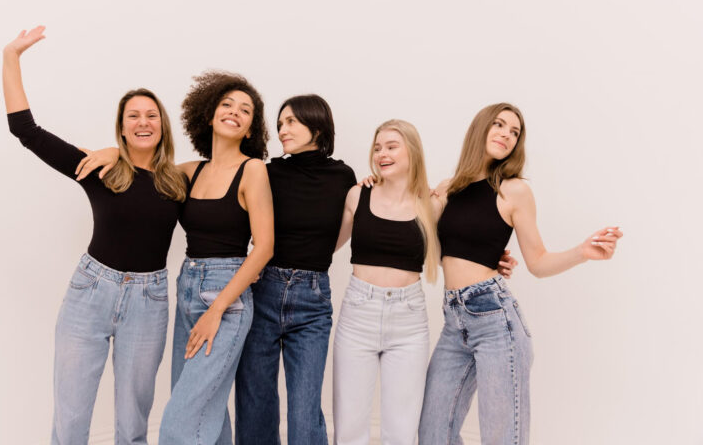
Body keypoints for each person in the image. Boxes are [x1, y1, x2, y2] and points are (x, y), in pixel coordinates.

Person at [3, 26, 187, 445]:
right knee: (70, 421)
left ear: (163, 126)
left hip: (149, 301)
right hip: (89, 293)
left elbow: (230, 172)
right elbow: (26, 131)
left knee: (132, 424)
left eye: (151, 115)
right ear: (121, 127)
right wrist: (10, 57)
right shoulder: (98, 169)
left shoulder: (180, 181)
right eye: (133, 116)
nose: (143, 122)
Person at [418, 103, 623, 445]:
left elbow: (538, 261)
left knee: (502, 438)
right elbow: (441, 254)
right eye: (499, 125)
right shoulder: (449, 186)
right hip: (454, 323)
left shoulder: (513, 191)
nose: (506, 135)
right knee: (433, 432)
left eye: (514, 132)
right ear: (480, 127)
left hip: (497, 323)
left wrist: (582, 252)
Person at [156, 72, 273, 445]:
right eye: (227, 105)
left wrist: (218, 308)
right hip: (188, 286)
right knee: (206, 412)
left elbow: (265, 247)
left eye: (245, 111)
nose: (235, 112)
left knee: (180, 420)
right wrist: (114, 151)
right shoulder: (191, 171)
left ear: (250, 129)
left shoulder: (252, 170)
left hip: (226, 297)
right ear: (208, 115)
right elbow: (142, 174)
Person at [234, 95, 356, 445]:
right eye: (280, 123)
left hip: (313, 298)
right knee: (255, 400)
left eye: (291, 122)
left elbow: (360, 219)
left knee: (304, 411)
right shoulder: (267, 172)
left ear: (316, 125)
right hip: (263, 291)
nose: (282, 130)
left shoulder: (343, 176)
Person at [330, 119, 440, 445]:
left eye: (392, 146)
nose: (382, 154)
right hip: (358, 314)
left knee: (402, 429)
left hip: (409, 320)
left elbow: (462, 243)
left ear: (412, 152)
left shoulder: (432, 205)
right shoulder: (357, 195)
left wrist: (497, 258)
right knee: (349, 426)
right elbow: (326, 246)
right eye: (378, 148)